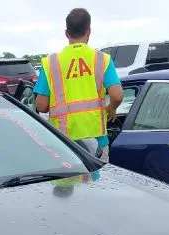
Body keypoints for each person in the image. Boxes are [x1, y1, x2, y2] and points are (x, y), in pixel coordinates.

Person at [34, 8, 123, 162]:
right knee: (99, 185)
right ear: (88, 31)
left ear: (67, 33)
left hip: (63, 143)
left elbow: (41, 106)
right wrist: (111, 109)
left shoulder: (51, 63)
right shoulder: (102, 59)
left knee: (67, 185)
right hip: (96, 142)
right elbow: (117, 95)